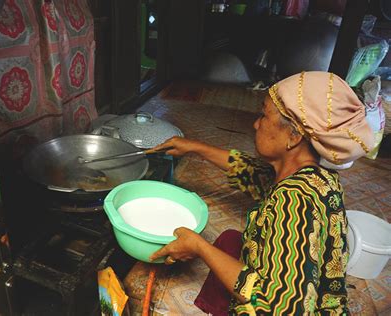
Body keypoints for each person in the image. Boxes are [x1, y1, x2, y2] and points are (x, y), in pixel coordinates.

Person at [150, 71, 374, 315]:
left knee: (219, 250)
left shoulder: (293, 200)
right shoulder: (319, 177)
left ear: (294, 135)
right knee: (231, 241)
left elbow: (281, 307)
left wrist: (199, 246)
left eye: (263, 115)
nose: (256, 124)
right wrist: (194, 147)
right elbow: (250, 170)